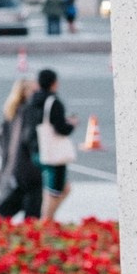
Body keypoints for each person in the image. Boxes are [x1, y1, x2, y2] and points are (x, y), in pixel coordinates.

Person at [0, 74, 42, 219]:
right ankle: (0, 219)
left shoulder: (12, 111)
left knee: (20, 196)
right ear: (25, 92)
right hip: (26, 164)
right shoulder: (26, 112)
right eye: (34, 90)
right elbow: (25, 138)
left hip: (15, 164)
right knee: (30, 200)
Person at [32, 67, 79, 220]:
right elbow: (61, 129)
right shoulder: (53, 102)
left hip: (36, 149)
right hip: (53, 154)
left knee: (57, 189)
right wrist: (71, 124)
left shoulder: (34, 100)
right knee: (55, 191)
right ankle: (46, 221)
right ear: (54, 83)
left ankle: (47, 220)